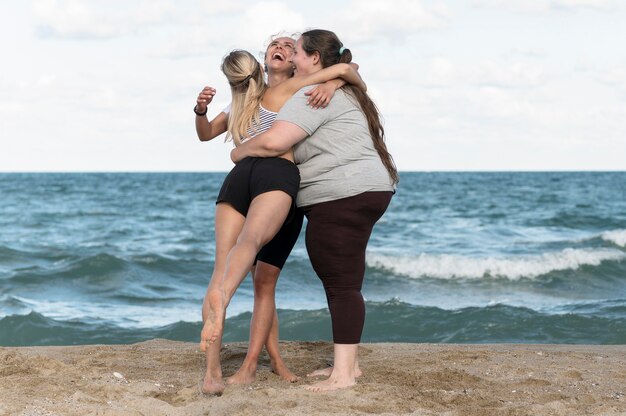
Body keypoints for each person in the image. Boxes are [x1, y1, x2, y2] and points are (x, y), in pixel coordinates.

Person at [229, 29, 399, 392]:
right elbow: (350, 72)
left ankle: (342, 376)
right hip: (367, 188)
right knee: (345, 281)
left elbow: (275, 141)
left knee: (341, 285)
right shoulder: (340, 88)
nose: (292, 58)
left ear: (314, 60)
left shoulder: (310, 94)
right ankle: (348, 367)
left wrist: (238, 152)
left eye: (298, 54)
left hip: (342, 193)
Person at [196, 40, 367, 395]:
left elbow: (206, 134)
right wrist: (335, 79)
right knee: (253, 256)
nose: (280, 46)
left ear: (297, 61)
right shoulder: (280, 92)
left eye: (289, 45)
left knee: (229, 270)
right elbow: (348, 69)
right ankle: (227, 304)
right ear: (263, 62)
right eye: (274, 43)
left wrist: (331, 82)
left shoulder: (256, 96)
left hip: (239, 178)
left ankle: (217, 372)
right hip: (276, 176)